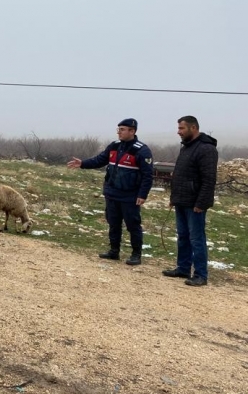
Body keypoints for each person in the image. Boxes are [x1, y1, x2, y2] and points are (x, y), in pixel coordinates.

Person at [67, 118, 153, 265]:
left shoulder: (141, 150)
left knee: (133, 225)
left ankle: (136, 254)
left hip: (130, 195)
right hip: (112, 192)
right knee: (113, 223)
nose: (118, 132)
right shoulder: (114, 146)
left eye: (122, 129)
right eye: (118, 129)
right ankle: (114, 251)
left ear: (132, 131)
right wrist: (82, 164)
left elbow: (147, 175)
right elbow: (100, 160)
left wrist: (142, 194)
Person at [162, 116, 218, 287]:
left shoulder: (206, 149)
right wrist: (174, 198)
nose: (178, 132)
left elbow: (209, 180)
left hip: (195, 204)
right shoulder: (186, 147)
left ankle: (201, 274)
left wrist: (201, 203)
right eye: (178, 128)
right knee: (183, 236)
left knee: (196, 238)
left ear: (193, 128)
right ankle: (183, 268)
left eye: (182, 128)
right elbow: (180, 175)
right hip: (181, 201)